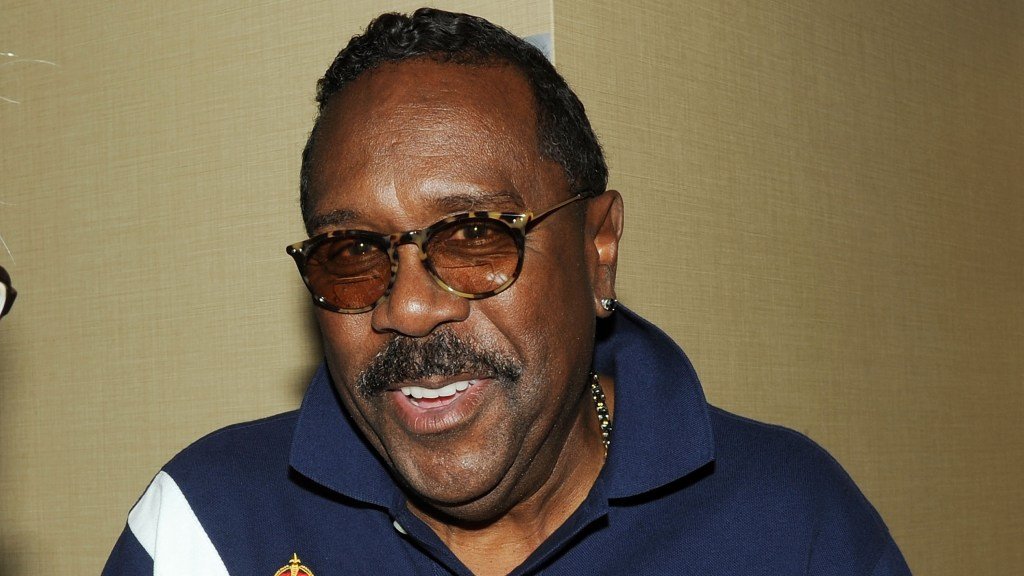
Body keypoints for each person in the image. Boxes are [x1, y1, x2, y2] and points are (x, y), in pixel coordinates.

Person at [103, 8, 910, 575]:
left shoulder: (791, 526)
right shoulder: (210, 529)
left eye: (474, 236)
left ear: (598, 250)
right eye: (353, 252)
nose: (407, 309)